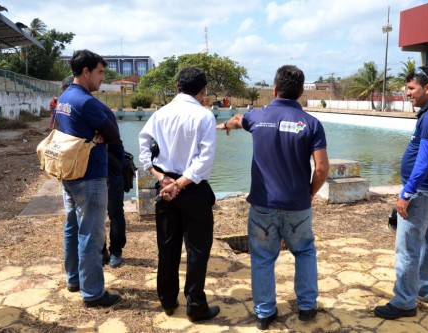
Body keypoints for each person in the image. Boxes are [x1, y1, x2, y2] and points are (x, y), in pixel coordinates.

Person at [216, 65, 329, 330]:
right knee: (304, 252)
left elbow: (238, 118)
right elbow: (322, 168)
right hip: (297, 205)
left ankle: (265, 312)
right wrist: (310, 193)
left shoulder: (258, 118)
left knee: (263, 258)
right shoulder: (311, 124)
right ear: (300, 93)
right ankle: (306, 307)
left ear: (275, 89)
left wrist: (225, 125)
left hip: (263, 205)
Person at [139, 66, 220, 322]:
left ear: (177, 88)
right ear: (203, 90)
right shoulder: (204, 116)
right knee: (197, 249)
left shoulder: (159, 114)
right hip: (192, 189)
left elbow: (144, 151)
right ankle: (195, 305)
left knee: (167, 245)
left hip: (165, 188)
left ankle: (167, 299)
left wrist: (164, 179)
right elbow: (204, 160)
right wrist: (180, 183)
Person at [374, 66, 428, 320]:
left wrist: (406, 194)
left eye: (411, 89)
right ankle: (423, 288)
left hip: (420, 192)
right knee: (427, 239)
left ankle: (404, 302)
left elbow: (424, 162)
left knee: (408, 247)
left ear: (427, 88)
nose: (407, 93)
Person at [55, 49, 122, 308]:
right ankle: (93, 292)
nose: (102, 78)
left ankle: (74, 279)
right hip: (90, 175)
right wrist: (100, 133)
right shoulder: (88, 102)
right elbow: (113, 134)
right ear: (86, 72)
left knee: (72, 227)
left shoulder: (64, 98)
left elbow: (58, 128)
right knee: (91, 236)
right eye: (100, 72)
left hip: (69, 173)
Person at [101, 112, 127, 268]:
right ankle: (101, 251)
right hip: (93, 176)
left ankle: (116, 251)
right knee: (97, 216)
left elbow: (118, 154)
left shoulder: (106, 120)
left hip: (112, 174)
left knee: (115, 214)